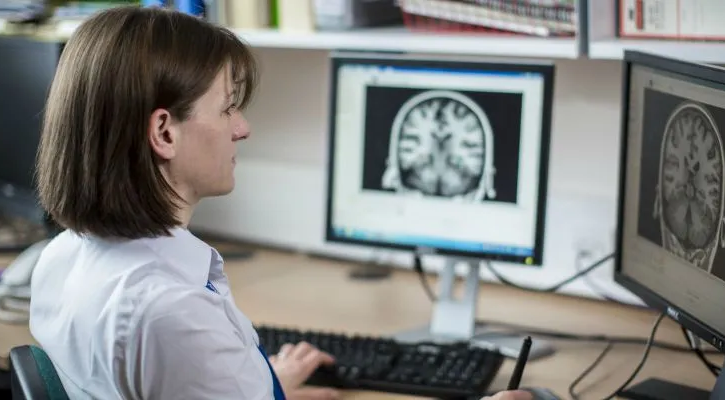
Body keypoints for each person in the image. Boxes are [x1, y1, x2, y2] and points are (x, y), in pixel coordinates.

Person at [28, 5, 534, 400]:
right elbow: (175, 350)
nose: (242, 127)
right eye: (228, 107)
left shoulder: (62, 258)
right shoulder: (173, 315)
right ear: (164, 131)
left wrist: (256, 383)